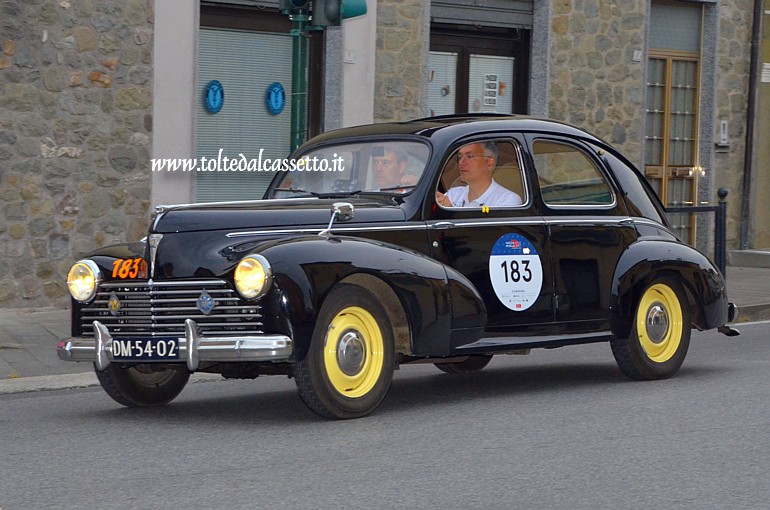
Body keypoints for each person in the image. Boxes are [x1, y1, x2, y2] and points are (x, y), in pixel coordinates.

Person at [435, 141, 522, 208]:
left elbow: (489, 230)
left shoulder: (507, 200)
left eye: (470, 156)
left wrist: (451, 211)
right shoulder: (453, 194)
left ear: (489, 162)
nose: (462, 162)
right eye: (460, 157)